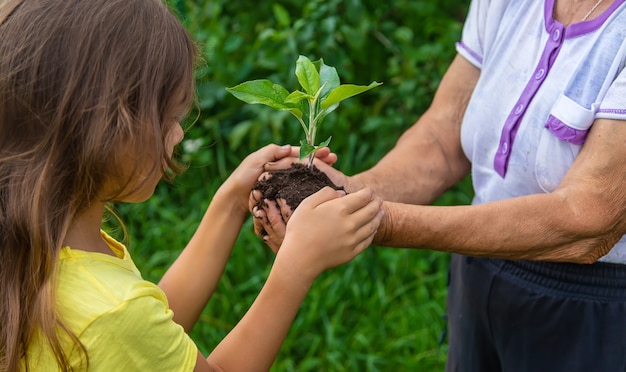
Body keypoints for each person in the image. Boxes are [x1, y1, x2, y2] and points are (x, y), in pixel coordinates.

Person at [0, 0, 384, 371]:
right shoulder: (111, 314)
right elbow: (135, 328)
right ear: (104, 130)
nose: (179, 133)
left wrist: (231, 202)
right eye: (168, 118)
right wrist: (297, 265)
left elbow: (153, 338)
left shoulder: (48, 243)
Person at [250, 0, 626, 370]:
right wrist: (348, 192)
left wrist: (378, 221)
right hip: (480, 272)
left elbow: (589, 216)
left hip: (594, 304)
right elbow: (442, 138)